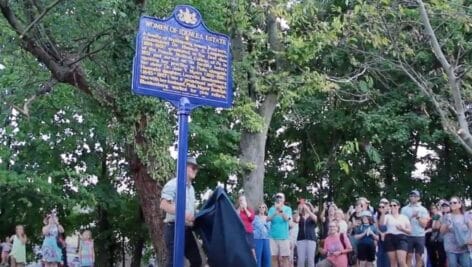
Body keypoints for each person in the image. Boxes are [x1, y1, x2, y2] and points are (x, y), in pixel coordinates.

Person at [160, 157, 202, 267]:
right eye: (193, 167)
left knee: (196, 261)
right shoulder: (173, 184)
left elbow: (191, 211)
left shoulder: (191, 189)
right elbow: (164, 205)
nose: (195, 170)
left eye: (196, 169)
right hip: (173, 228)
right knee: (174, 263)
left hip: (186, 230)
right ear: (184, 167)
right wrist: (182, 214)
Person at [439, 196, 471, 267]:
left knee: (466, 265)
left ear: (460, 204)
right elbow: (441, 231)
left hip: (464, 246)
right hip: (450, 247)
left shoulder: (465, 216)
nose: (452, 204)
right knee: (452, 265)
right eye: (450, 203)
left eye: (454, 202)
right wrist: (447, 223)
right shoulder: (447, 216)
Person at [401, 190, 429, 267]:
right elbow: (403, 223)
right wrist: (411, 216)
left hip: (420, 236)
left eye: (415, 196)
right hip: (408, 235)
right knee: (408, 256)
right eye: (411, 196)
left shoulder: (423, 209)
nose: (413, 197)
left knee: (419, 257)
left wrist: (418, 217)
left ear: (418, 198)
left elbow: (424, 225)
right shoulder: (404, 209)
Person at [380, 199, 411, 267]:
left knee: (401, 261)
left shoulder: (404, 217)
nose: (392, 207)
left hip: (401, 238)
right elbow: (381, 224)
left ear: (398, 206)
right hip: (390, 238)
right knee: (393, 262)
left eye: (394, 205)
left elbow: (409, 231)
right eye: (391, 205)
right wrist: (383, 213)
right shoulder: (387, 216)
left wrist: (402, 229)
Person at [267, 192, 292, 267]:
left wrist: (280, 210)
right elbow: (268, 219)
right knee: (273, 257)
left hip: (284, 237)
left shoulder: (288, 209)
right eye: (277, 197)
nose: (279, 198)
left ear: (284, 199)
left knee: (285, 258)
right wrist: (275, 212)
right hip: (273, 237)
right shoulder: (272, 209)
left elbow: (287, 219)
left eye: (280, 197)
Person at [296, 200, 317, 267]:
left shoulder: (312, 216)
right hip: (301, 240)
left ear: (310, 207)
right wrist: (299, 211)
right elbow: (296, 220)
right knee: (301, 260)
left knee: (310, 260)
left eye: (307, 206)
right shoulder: (300, 216)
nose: (305, 207)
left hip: (311, 239)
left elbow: (316, 219)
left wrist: (308, 211)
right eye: (304, 206)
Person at [425, 201, 446, 267]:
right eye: (432, 208)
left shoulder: (442, 215)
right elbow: (433, 226)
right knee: (433, 256)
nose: (433, 210)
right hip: (432, 238)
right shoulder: (433, 216)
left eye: (434, 208)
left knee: (441, 256)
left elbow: (435, 227)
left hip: (440, 238)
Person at [253, 203, 271, 267]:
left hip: (266, 239)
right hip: (257, 239)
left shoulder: (268, 218)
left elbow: (270, 230)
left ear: (265, 209)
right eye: (260, 207)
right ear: (258, 209)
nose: (261, 208)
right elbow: (251, 228)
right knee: (258, 258)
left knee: (267, 258)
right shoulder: (255, 217)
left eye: (263, 207)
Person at [376, 199, 390, 267]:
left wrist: (385, 233)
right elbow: (377, 226)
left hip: (389, 236)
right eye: (381, 205)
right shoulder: (376, 215)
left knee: (388, 254)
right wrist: (381, 234)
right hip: (380, 237)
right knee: (381, 254)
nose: (383, 205)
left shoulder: (391, 213)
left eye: (385, 203)